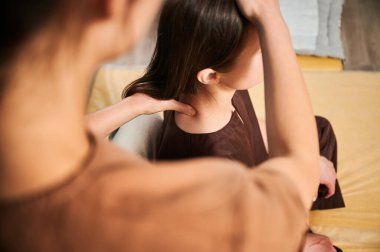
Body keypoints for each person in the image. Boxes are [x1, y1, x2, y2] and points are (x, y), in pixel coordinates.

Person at [1, 0, 323, 251]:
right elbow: (299, 173)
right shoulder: (215, 208)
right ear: (111, 5)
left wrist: (133, 106)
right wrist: (273, 23)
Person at [122, 1, 344, 250]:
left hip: (254, 182)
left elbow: (248, 125)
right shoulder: (218, 160)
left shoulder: (204, 87)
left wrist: (312, 160)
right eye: (261, 53)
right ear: (211, 74)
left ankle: (309, 202)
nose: (273, 57)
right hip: (252, 224)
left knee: (320, 129)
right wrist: (298, 239)